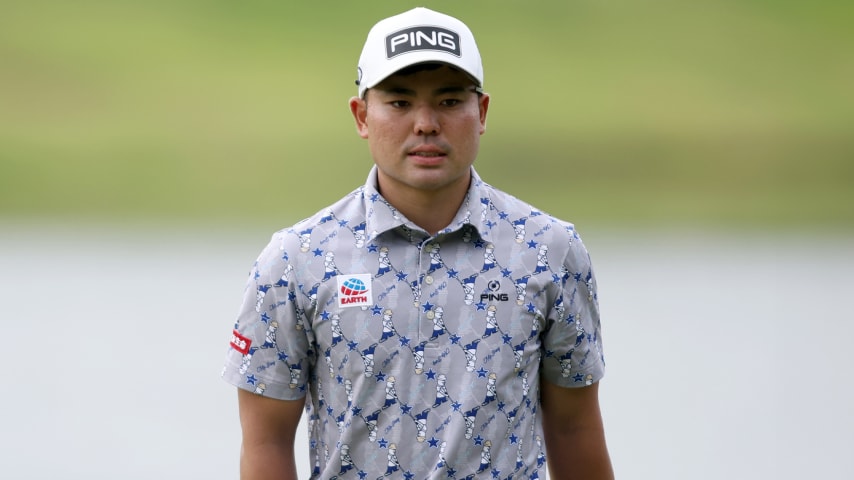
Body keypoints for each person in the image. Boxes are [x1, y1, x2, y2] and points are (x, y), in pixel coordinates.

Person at [222, 7, 614, 480]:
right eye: (400, 103)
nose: (426, 123)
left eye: (449, 102)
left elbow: (574, 429)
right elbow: (265, 442)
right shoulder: (295, 260)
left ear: (482, 112)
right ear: (362, 116)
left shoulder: (549, 251)